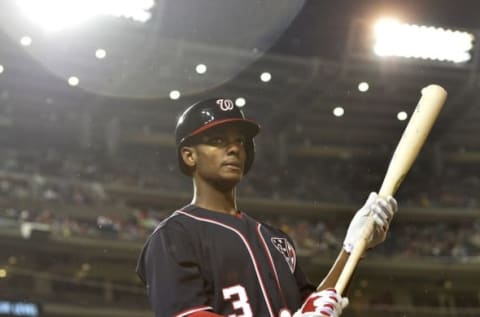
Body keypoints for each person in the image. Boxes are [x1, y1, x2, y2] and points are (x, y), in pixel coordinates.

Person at [136, 98, 398, 317]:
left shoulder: (275, 238)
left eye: (239, 141)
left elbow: (314, 306)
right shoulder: (174, 235)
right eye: (217, 140)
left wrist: (352, 249)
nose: (234, 149)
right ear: (189, 155)